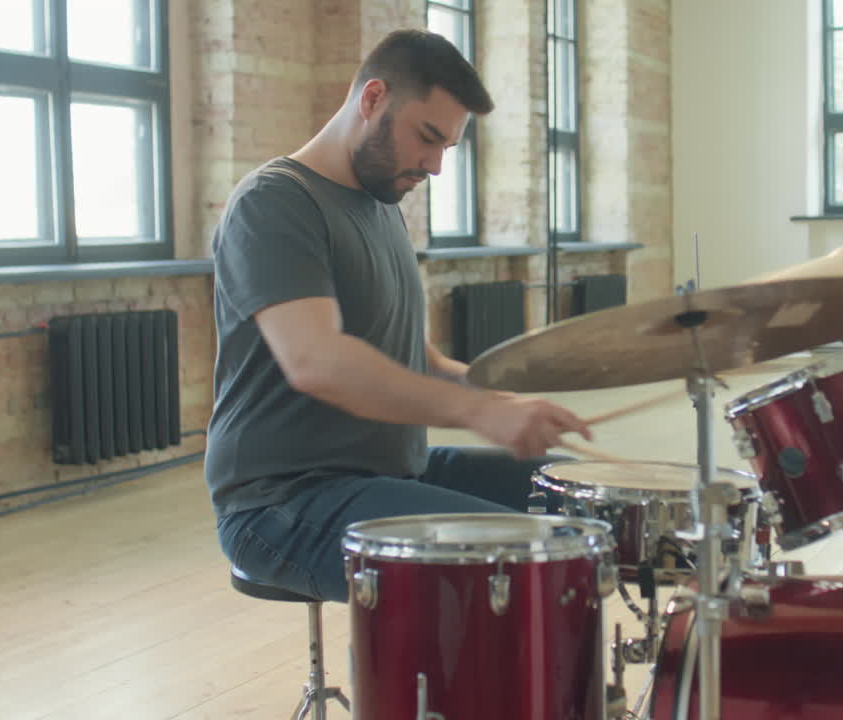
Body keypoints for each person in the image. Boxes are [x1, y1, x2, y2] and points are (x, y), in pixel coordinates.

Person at [206, 29, 592, 602]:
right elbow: (317, 361)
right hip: (283, 501)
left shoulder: (381, 202)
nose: (434, 166)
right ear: (373, 99)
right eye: (427, 137)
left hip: (388, 470)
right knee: (530, 555)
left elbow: (414, 357)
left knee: (579, 495)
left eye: (447, 148)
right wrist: (476, 411)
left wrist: (501, 398)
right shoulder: (274, 203)